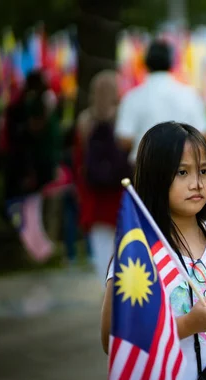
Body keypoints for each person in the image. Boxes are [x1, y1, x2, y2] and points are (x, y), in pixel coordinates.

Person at [100, 122, 206, 380]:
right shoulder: (139, 254)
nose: (197, 183)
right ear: (155, 176)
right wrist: (187, 325)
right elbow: (113, 339)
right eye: (182, 172)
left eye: (204, 171)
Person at [115, 40, 206, 165]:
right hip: (183, 166)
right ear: (171, 62)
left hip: (145, 166)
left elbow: (124, 139)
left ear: (146, 63)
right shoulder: (189, 94)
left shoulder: (133, 97)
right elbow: (204, 134)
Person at [74, 70, 125, 281]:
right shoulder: (124, 118)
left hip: (95, 199)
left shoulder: (84, 121)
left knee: (103, 259)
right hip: (122, 197)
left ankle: (108, 301)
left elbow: (79, 163)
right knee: (125, 255)